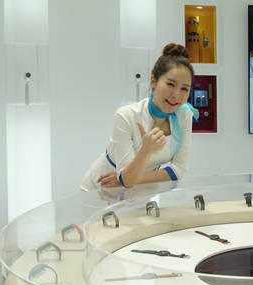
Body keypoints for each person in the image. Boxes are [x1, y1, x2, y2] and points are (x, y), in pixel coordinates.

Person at [80, 43, 198, 191]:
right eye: (170, 84)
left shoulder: (184, 115)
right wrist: (146, 150)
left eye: (184, 89)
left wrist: (130, 179)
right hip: (101, 188)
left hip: (140, 188)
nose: (176, 95)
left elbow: (179, 168)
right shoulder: (126, 115)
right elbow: (127, 178)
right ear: (153, 81)